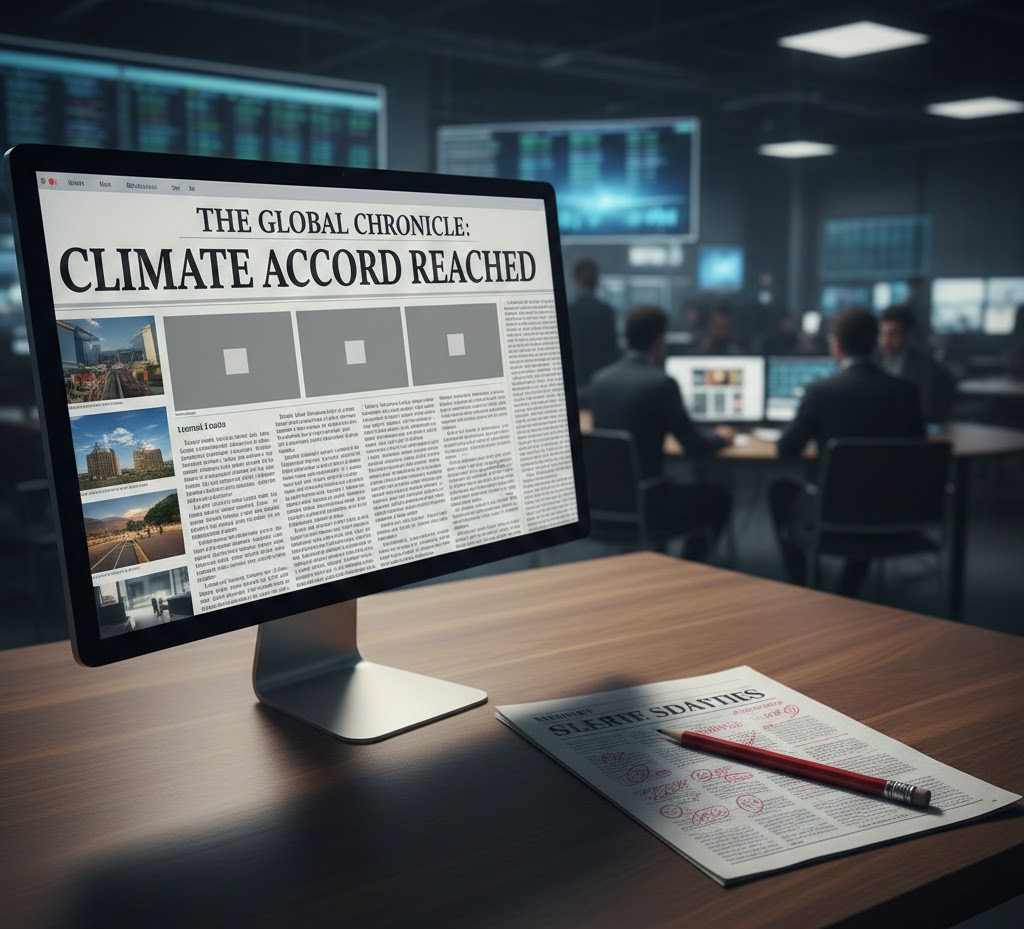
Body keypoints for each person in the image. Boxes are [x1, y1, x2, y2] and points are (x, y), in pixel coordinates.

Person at [769, 307, 925, 596]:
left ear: (837, 344)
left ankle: (802, 580)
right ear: (875, 341)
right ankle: (849, 586)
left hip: (831, 515)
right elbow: (918, 450)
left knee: (780, 490)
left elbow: (787, 448)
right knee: (867, 490)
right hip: (893, 515)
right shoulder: (906, 391)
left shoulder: (820, 391)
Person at [585, 305, 734, 561]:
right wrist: (722, 437)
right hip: (649, 506)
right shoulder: (662, 383)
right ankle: (688, 569)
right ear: (659, 339)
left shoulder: (599, 380)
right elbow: (693, 446)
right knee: (719, 498)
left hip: (601, 506)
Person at [876, 304, 956, 424]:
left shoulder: (926, 367)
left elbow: (927, 411)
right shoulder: (873, 361)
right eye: (882, 333)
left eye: (893, 334)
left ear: (908, 334)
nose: (885, 341)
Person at [566, 259, 618, 394]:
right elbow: (612, 350)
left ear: (576, 279)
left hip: (577, 380)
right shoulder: (605, 311)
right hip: (601, 382)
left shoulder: (569, 311)